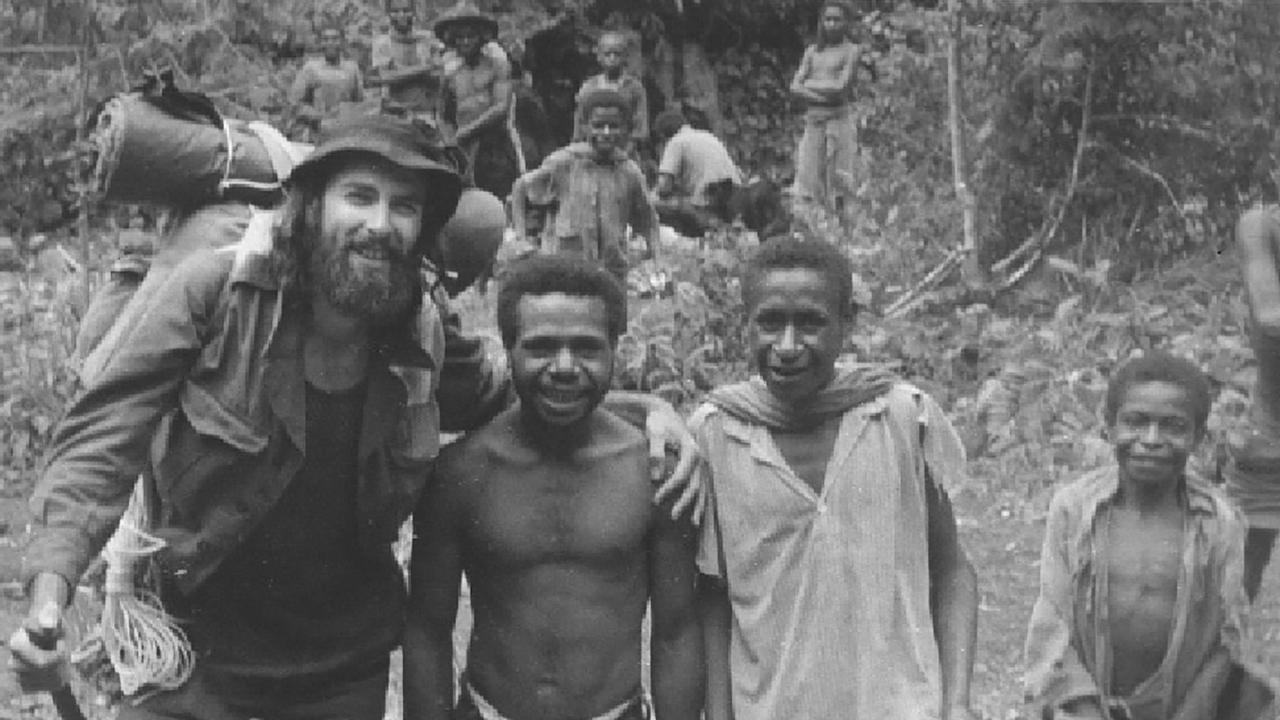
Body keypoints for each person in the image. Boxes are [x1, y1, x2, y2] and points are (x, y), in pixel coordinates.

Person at [7, 116, 702, 719]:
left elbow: (531, 389)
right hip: (189, 651)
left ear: (423, 232)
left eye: (404, 206)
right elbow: (100, 443)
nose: (380, 222)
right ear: (311, 208)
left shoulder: (423, 335)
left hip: (338, 669)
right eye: (360, 197)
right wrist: (47, 597)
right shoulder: (216, 297)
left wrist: (649, 409)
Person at [404, 255, 703, 720]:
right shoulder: (461, 472)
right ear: (508, 349)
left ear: (614, 350)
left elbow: (677, 631)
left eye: (586, 347)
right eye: (541, 347)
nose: (564, 367)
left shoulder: (655, 471)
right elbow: (426, 628)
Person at [694, 237, 980, 720]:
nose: (787, 346)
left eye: (810, 323)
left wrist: (957, 703)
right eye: (769, 323)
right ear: (745, 327)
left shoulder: (901, 418)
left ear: (846, 325)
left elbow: (951, 571)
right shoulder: (717, 433)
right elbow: (713, 597)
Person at [1023, 352, 1275, 720]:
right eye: (1136, 422)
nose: (1151, 439)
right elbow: (1052, 626)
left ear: (1197, 436)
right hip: (1080, 707)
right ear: (1109, 426)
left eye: (1173, 426)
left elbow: (1227, 637)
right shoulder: (1075, 510)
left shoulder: (1219, 521)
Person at [510, 88, 659, 288]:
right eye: (598, 126)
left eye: (614, 126)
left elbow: (648, 218)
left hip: (611, 273)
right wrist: (521, 238)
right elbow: (520, 189)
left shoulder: (629, 172)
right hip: (563, 269)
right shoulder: (565, 163)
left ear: (626, 129)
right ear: (585, 126)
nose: (605, 133)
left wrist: (654, 256)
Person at [1225, 200, 1280, 601]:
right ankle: (1226, 653)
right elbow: (1270, 316)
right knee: (1244, 567)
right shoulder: (1261, 226)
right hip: (1272, 429)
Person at [437, 1, 517, 198]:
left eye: (470, 36)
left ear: (481, 37)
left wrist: (467, 131)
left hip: (493, 144)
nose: (465, 42)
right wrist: (450, 141)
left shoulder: (496, 65)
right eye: (460, 37)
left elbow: (500, 107)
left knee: (500, 194)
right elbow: (442, 113)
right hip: (462, 148)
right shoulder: (450, 72)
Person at [789, 0, 861, 214]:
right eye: (828, 19)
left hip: (839, 121)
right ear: (821, 22)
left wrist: (809, 87)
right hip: (814, 122)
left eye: (837, 20)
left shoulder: (851, 51)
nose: (832, 24)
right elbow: (794, 86)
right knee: (808, 178)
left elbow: (841, 87)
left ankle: (843, 228)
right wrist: (823, 95)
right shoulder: (812, 52)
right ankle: (811, 226)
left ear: (845, 22)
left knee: (841, 179)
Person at [652, 108, 742, 237]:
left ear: (663, 135)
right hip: (733, 198)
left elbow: (663, 187)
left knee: (653, 204)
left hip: (707, 201)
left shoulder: (676, 142)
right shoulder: (708, 136)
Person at [368, 0, 449, 126]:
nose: (401, 15)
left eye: (406, 10)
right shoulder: (382, 43)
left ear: (414, 12)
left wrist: (400, 74)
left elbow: (439, 76)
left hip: (425, 113)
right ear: (388, 14)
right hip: (395, 114)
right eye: (395, 11)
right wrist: (424, 69)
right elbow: (384, 77)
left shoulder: (426, 40)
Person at [572, 31, 649, 156]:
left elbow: (640, 129)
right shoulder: (588, 88)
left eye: (617, 54)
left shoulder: (634, 88)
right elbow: (579, 126)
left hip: (625, 154)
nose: (612, 58)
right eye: (608, 54)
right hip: (592, 156)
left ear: (625, 57)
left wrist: (623, 156)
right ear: (599, 56)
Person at [289, 24, 364, 142]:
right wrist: (318, 117)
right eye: (326, 39)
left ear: (342, 42)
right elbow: (296, 103)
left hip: (345, 132)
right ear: (321, 43)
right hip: (318, 131)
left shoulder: (352, 69)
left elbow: (359, 103)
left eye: (334, 39)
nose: (330, 43)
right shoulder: (311, 68)